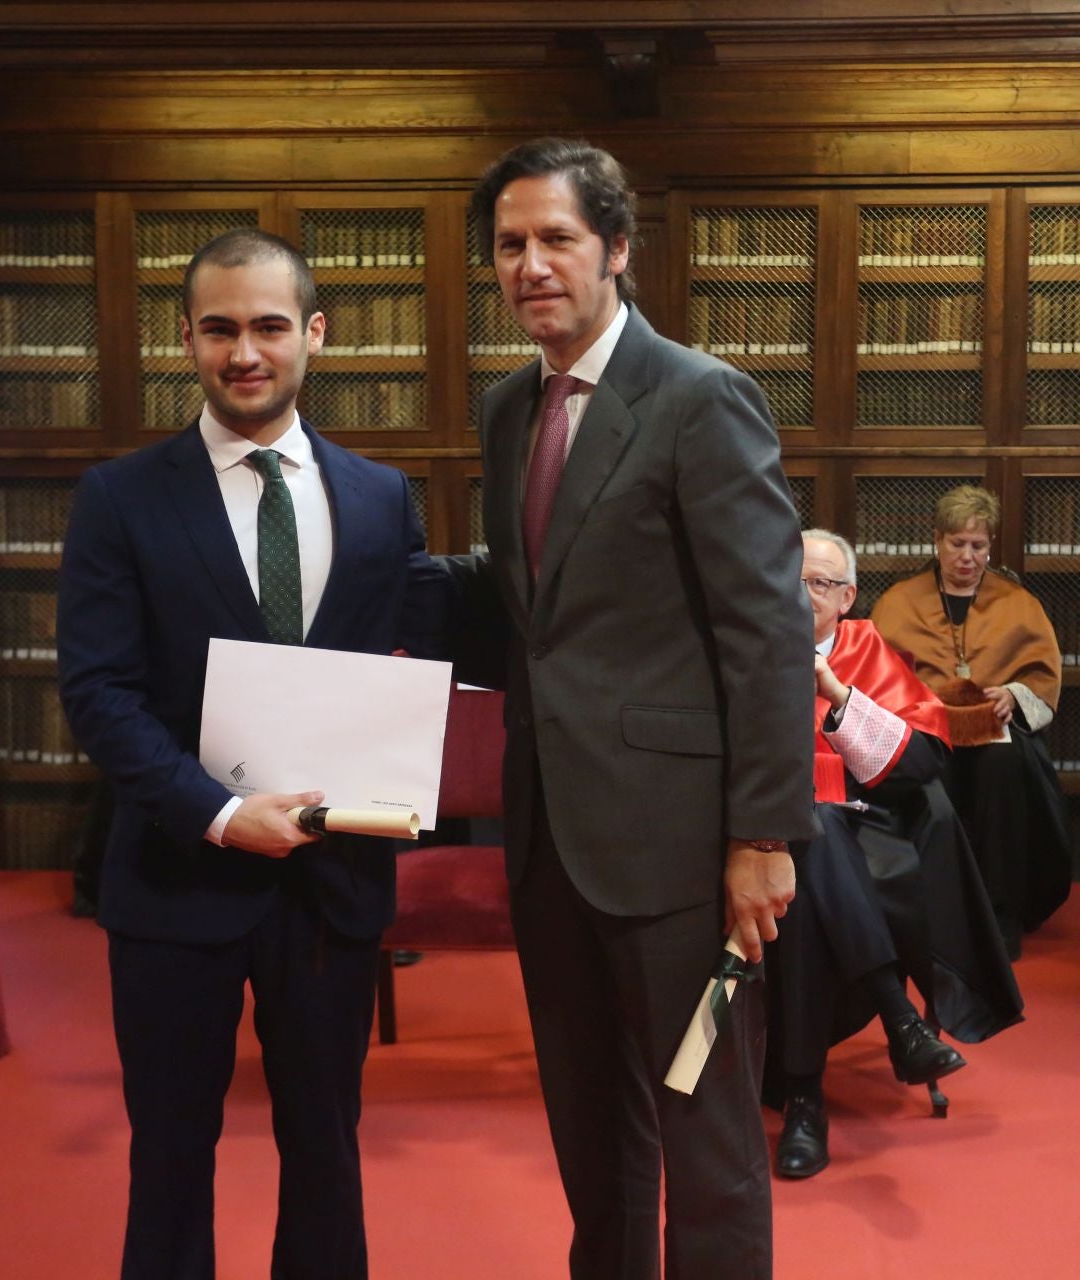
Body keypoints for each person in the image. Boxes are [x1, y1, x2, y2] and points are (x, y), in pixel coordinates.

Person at [447, 137, 814, 1280]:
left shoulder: (703, 398)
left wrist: (762, 837)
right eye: (510, 245)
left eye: (556, 238)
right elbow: (538, 612)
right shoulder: (511, 408)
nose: (531, 264)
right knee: (589, 1128)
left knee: (704, 1129)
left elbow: (767, 631)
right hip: (552, 836)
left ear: (615, 248)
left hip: (682, 851)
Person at [56, 229, 449, 1280]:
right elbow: (98, 692)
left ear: (313, 334)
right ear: (186, 337)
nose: (245, 351)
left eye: (269, 325)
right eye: (220, 327)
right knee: (172, 1151)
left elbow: (403, 660)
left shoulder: (379, 495)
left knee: (326, 1145)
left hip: (332, 878)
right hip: (177, 875)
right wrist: (224, 814)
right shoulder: (121, 496)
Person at [766, 529, 1021, 1180]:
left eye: (819, 583)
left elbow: (922, 761)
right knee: (809, 834)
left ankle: (804, 1097)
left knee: (816, 846)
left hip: (865, 825)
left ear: (847, 596)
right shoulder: (743, 642)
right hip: (757, 826)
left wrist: (836, 693)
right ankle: (899, 1019)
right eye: (792, 578)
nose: (803, 594)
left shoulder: (863, 648)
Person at [871, 484, 1073, 956]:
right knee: (926, 773)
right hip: (924, 729)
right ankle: (935, 913)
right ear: (937, 541)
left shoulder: (1017, 602)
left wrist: (1013, 695)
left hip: (994, 729)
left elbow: (1042, 675)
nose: (967, 557)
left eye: (978, 546)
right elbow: (877, 676)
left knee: (1003, 770)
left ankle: (1000, 913)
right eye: (957, 544)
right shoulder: (899, 601)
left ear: (991, 546)